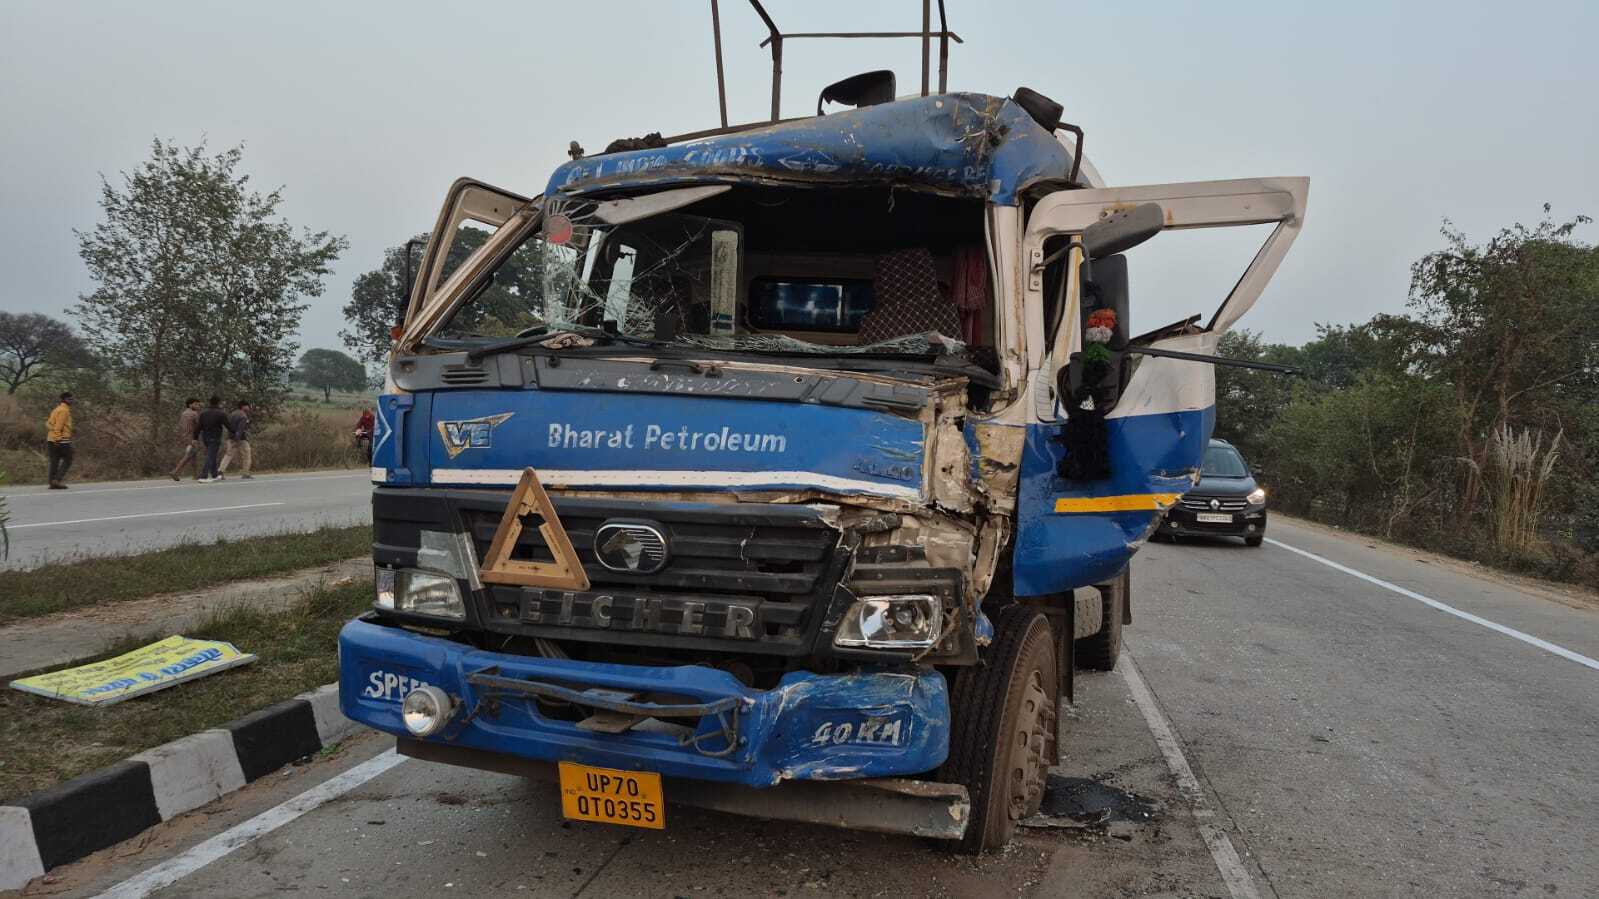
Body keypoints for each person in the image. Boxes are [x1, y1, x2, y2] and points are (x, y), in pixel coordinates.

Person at [45, 390, 74, 489]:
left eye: (72, 399)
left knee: (54, 461)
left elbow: (48, 423)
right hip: (61, 440)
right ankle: (57, 480)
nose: (72, 401)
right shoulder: (64, 411)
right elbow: (59, 426)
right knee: (68, 459)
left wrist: (53, 436)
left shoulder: (56, 409)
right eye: (70, 399)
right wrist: (57, 439)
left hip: (50, 439)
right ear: (64, 399)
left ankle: (52, 483)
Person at [196, 396, 229, 483]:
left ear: (210, 402)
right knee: (210, 455)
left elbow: (198, 427)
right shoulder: (221, 413)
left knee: (212, 454)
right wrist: (235, 432)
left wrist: (195, 437)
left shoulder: (203, 413)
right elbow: (228, 425)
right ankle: (203, 475)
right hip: (215, 437)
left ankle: (215, 475)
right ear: (218, 403)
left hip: (205, 437)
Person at [219, 399, 253, 479]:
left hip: (230, 437)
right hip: (241, 439)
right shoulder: (243, 416)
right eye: (248, 406)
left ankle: (220, 471)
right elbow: (240, 429)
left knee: (228, 455)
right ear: (243, 406)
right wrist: (236, 440)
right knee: (247, 455)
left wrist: (232, 439)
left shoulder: (232, 414)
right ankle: (245, 473)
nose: (249, 408)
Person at [171, 398, 202, 481]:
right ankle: (175, 471)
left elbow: (181, 425)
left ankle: (195, 475)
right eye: (196, 404)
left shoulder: (183, 413)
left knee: (193, 455)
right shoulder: (194, 414)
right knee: (189, 455)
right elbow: (199, 426)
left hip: (184, 436)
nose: (198, 406)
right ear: (190, 405)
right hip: (192, 437)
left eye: (198, 404)